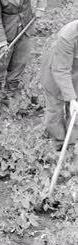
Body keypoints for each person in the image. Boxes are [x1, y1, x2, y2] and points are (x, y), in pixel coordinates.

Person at [39, 20, 78, 150]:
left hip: (76, 73)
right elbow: (61, 70)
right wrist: (71, 99)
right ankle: (59, 142)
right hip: (56, 71)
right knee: (54, 111)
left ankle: (72, 144)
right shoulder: (68, 36)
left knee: (75, 113)